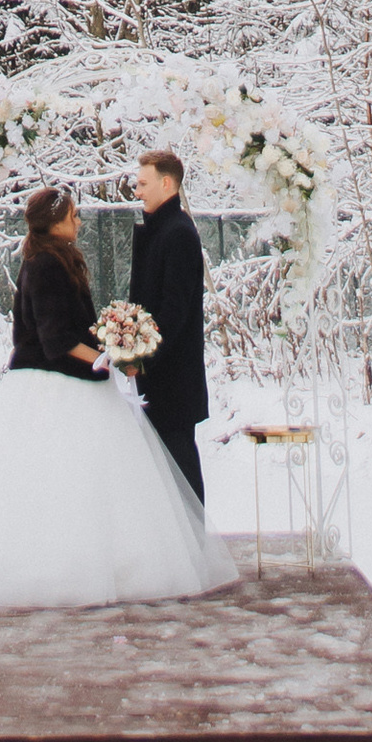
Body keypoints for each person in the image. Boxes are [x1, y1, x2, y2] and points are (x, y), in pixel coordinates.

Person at [0, 182, 236, 610]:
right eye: (72, 214)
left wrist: (112, 346)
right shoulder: (46, 265)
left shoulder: (57, 258)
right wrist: (107, 355)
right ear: (54, 221)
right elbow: (56, 338)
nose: (78, 220)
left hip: (74, 379)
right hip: (50, 384)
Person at [127, 147, 211, 504]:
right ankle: (179, 552)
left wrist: (141, 358)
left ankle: (191, 553)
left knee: (179, 476)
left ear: (166, 183)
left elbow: (172, 314)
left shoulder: (177, 234)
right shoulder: (165, 230)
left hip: (172, 381)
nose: (137, 190)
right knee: (164, 478)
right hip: (161, 379)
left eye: (143, 182)